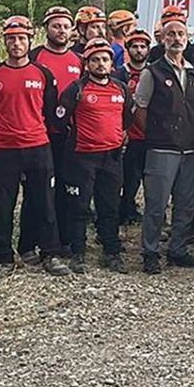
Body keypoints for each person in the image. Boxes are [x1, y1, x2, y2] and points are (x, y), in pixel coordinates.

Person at [0, 16, 72, 282]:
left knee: (44, 202)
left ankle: (50, 253)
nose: (16, 44)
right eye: (11, 39)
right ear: (5, 42)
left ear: (30, 41)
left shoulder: (43, 74)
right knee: (2, 206)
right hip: (4, 149)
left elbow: (49, 111)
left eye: (21, 39)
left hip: (38, 147)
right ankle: (2, 259)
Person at [133, 8, 194, 273]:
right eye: (171, 34)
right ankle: (150, 252)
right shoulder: (152, 72)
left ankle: (178, 249)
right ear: (162, 39)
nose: (176, 38)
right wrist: (156, 133)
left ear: (187, 38)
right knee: (156, 204)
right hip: (161, 148)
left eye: (181, 34)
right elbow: (140, 109)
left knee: (186, 204)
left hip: (191, 149)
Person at [57, 39, 133, 274]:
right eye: (95, 60)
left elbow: (127, 119)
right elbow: (60, 120)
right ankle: (78, 252)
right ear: (87, 64)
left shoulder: (121, 88)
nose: (101, 64)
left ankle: (111, 252)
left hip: (112, 157)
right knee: (79, 206)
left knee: (110, 206)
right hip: (82, 157)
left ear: (112, 63)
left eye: (105, 59)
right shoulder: (76, 89)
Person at [28, 5, 83, 254]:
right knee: (38, 189)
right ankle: (33, 241)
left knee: (66, 187)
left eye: (65, 26)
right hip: (40, 133)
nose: (61, 30)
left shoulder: (79, 60)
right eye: (56, 26)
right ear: (46, 29)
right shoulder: (34, 56)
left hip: (70, 135)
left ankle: (64, 239)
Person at [114, 28, 152, 226]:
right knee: (128, 178)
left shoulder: (154, 72)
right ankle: (125, 211)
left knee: (150, 178)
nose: (139, 50)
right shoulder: (118, 74)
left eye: (142, 46)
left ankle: (153, 215)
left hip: (150, 134)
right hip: (128, 135)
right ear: (128, 50)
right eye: (135, 46)